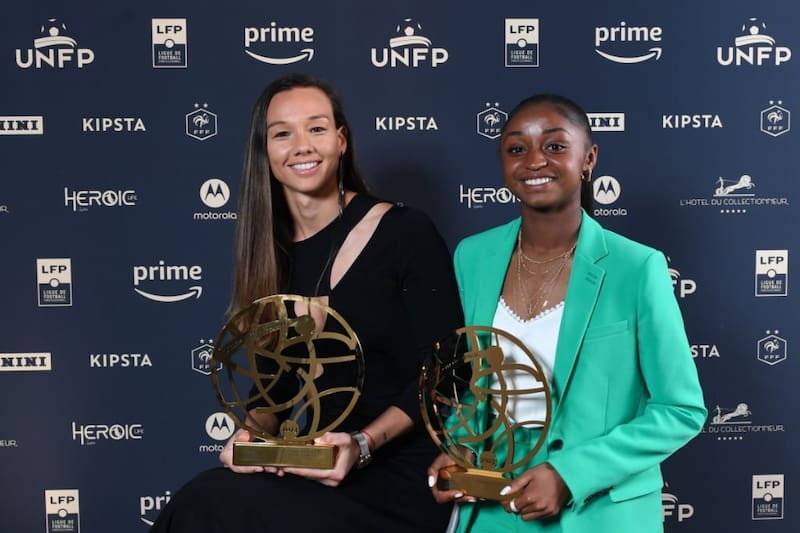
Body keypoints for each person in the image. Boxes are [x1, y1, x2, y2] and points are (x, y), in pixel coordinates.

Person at [150, 73, 462, 532]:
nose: (302, 145)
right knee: (204, 498)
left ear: (340, 141)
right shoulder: (270, 252)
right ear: (266, 153)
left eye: (316, 128)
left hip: (397, 468)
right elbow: (279, 386)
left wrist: (363, 443)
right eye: (282, 133)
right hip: (318, 460)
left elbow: (448, 370)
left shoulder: (404, 232)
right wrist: (253, 436)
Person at [427, 94, 706, 532]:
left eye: (555, 146)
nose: (535, 161)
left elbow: (680, 409)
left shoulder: (637, 267)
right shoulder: (473, 256)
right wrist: (460, 449)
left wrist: (569, 475)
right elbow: (476, 379)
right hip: (491, 508)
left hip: (593, 510)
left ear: (588, 158)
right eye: (517, 149)